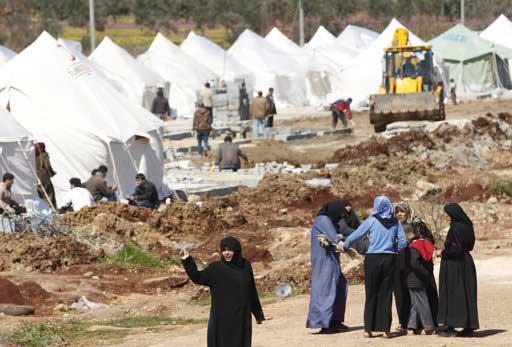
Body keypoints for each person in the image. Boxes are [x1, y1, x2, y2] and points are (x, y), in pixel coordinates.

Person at [342, 196, 408, 338]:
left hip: (372, 259)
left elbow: (357, 235)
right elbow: (403, 242)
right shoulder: (395, 222)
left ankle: (368, 329)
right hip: (390, 259)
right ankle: (385, 330)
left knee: (371, 293)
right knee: (386, 294)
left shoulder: (372, 220)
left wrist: (345, 244)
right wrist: (393, 249)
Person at [181, 237, 265, 347]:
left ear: (236, 250)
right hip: (221, 319)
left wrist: (258, 314)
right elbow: (197, 277)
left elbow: (251, 291)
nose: (227, 253)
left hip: (241, 318)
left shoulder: (245, 266)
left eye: (230, 250)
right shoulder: (216, 269)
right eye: (224, 250)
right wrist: (187, 259)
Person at [307, 201, 350, 333]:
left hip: (331, 260)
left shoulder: (331, 220)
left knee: (340, 286)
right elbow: (334, 238)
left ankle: (335, 321)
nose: (342, 215)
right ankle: (325, 323)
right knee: (326, 290)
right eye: (342, 212)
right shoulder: (323, 219)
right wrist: (345, 240)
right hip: (324, 261)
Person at [438, 203, 479, 337]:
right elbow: (469, 245)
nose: (448, 217)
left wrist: (443, 253)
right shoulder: (468, 225)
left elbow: (455, 248)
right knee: (467, 293)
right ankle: (469, 325)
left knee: (452, 293)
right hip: (466, 261)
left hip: (454, 264)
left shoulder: (455, 227)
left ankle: (450, 327)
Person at [406, 217, 438, 335]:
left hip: (412, 278)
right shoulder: (425, 245)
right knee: (422, 302)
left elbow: (413, 263)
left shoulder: (413, 246)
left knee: (415, 303)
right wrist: (425, 273)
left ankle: (411, 326)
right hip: (418, 279)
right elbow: (416, 263)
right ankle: (429, 327)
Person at [393, 200, 415, 332]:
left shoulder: (411, 227)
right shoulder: (392, 227)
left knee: (409, 293)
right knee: (399, 293)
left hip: (409, 263)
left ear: (408, 212)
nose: (399, 214)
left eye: (402, 211)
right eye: (397, 211)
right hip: (396, 263)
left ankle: (412, 323)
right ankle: (403, 322)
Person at [35, 142, 57, 208]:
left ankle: (43, 209)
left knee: (40, 194)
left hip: (35, 176)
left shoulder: (33, 156)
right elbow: (47, 165)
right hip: (43, 175)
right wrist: (51, 173)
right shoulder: (44, 155)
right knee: (49, 193)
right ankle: (51, 209)